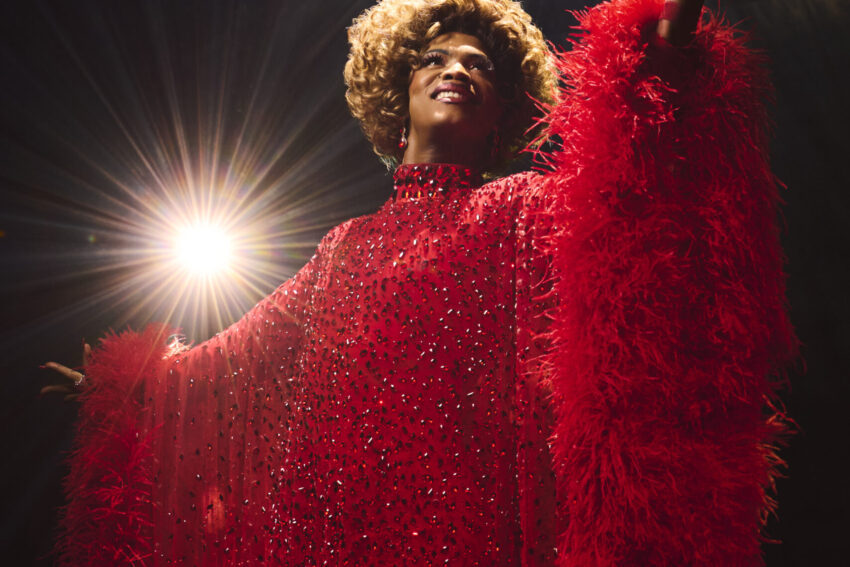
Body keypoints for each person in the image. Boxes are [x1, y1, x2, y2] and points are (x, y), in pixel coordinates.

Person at [44, 0, 796, 564]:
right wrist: (127, 386)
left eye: (480, 66)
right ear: (397, 94)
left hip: (473, 533)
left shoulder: (525, 211)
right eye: (436, 58)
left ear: (504, 112)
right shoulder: (340, 251)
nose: (458, 69)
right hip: (335, 535)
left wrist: (663, 46)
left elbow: (634, 195)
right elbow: (226, 374)